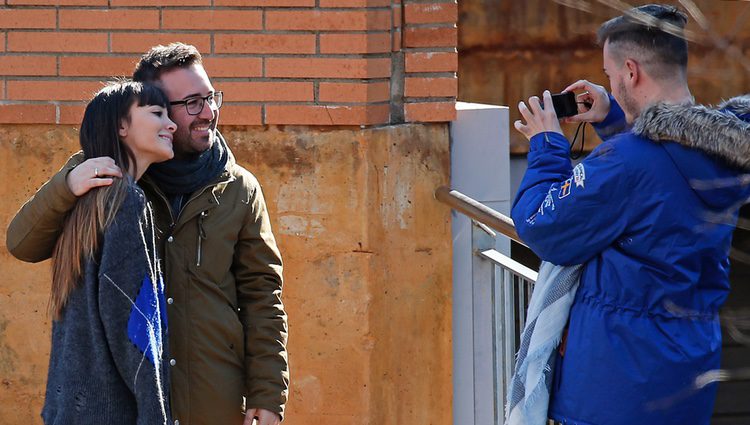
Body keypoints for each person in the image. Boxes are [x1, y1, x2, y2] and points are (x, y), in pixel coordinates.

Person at [6, 43, 288, 425]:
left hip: (211, 402)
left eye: (210, 98)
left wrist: (268, 393)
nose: (208, 113)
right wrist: (67, 185)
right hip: (128, 402)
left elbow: (262, 295)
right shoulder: (105, 173)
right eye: (190, 103)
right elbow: (23, 243)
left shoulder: (240, 188)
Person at [511, 4, 750, 424]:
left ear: (631, 71)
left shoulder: (625, 162)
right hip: (688, 373)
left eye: (609, 75)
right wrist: (617, 118)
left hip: (613, 385)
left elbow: (541, 226)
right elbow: (661, 180)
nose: (610, 83)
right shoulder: (722, 148)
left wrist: (547, 145)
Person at [41, 80, 176, 424]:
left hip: (69, 409)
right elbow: (134, 326)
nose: (171, 124)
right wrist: (154, 416)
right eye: (157, 113)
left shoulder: (85, 204)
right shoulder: (126, 202)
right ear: (121, 126)